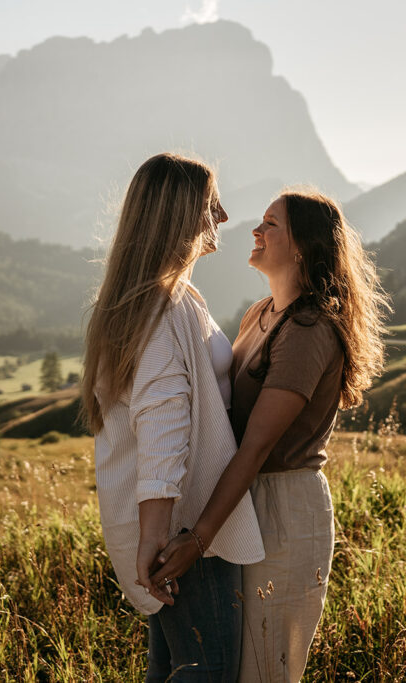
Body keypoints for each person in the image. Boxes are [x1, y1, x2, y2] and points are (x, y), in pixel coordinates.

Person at [147, 188, 390, 682]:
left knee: (265, 669)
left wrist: (199, 537)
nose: (255, 231)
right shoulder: (261, 313)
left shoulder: (309, 327)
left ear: (302, 245)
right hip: (241, 499)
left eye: (270, 224)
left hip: (283, 506)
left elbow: (256, 445)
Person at [81, 153, 264, 682]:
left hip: (171, 523)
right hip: (187, 528)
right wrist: (157, 536)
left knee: (172, 668)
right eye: (211, 204)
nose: (224, 216)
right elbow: (164, 422)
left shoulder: (144, 301)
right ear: (178, 215)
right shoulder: (166, 306)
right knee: (208, 671)